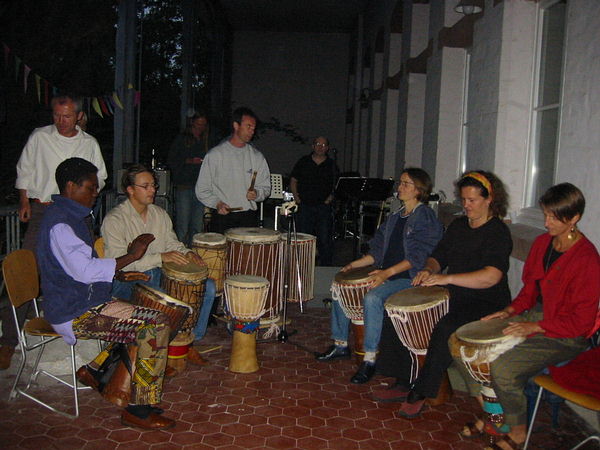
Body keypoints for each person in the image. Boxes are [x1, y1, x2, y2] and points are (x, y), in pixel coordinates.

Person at [453, 183, 600, 450]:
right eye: (545, 214)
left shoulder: (587, 259)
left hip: (565, 334)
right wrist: (509, 311)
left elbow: (581, 322)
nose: (546, 222)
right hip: (534, 317)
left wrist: (535, 327)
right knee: (462, 345)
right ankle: (494, 415)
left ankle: (518, 432)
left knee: (504, 368)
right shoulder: (543, 243)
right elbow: (530, 290)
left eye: (554, 217)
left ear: (574, 218)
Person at [36, 157, 175, 429]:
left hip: (85, 301)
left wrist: (117, 272)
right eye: (90, 187)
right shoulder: (61, 225)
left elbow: (80, 268)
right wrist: (132, 256)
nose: (95, 193)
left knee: (152, 316)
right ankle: (139, 410)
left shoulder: (69, 216)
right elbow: (85, 271)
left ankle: (96, 369)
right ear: (70, 186)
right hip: (73, 311)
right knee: (155, 325)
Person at [373, 171, 513, 418]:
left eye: (472, 200)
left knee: (444, 327)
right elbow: (438, 256)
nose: (466, 205)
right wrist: (429, 269)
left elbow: (491, 277)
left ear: (489, 199)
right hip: (454, 295)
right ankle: (402, 379)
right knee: (397, 312)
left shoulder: (497, 232)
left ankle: (422, 391)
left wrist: (446, 279)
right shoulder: (459, 226)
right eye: (463, 200)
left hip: (486, 302)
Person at [0, 94, 108, 371]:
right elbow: (24, 170)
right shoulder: (40, 137)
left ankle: (83, 320)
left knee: (85, 265)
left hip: (76, 213)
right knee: (26, 270)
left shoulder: (89, 143)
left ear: (79, 116)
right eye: (57, 115)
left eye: (67, 116)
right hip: (43, 209)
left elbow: (100, 178)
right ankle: (8, 340)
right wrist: (24, 202)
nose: (61, 121)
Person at [315, 168, 443, 384]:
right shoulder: (394, 217)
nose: (400, 187)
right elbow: (376, 251)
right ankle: (340, 344)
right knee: (341, 285)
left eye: (406, 183)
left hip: (408, 278)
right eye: (400, 182)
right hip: (386, 272)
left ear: (419, 190)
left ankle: (370, 358)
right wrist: (353, 265)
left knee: (373, 298)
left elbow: (419, 257)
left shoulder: (425, 216)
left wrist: (386, 273)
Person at [101, 164, 216, 365]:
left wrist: (188, 253)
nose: (152, 190)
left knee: (208, 287)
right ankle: (164, 348)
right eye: (145, 186)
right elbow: (119, 265)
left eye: (153, 185)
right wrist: (161, 258)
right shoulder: (115, 220)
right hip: (125, 281)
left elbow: (172, 243)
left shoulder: (160, 214)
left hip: (156, 275)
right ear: (130, 190)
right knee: (161, 288)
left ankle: (188, 342)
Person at [195, 107, 271, 234]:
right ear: (236, 125)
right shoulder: (215, 155)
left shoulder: (257, 157)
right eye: (248, 126)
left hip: (248, 216)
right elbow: (202, 189)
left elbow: (266, 187)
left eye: (253, 128)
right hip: (223, 216)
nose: (252, 131)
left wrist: (257, 193)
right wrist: (217, 203)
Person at [290, 136, 339, 265]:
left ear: (327, 148)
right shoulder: (303, 161)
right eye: (317, 144)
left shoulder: (331, 165)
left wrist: (329, 199)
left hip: (323, 207)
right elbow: (294, 180)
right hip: (305, 206)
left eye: (323, 145)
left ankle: (325, 267)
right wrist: (297, 198)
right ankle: (303, 266)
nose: (320, 147)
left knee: (324, 239)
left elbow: (336, 185)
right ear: (312, 146)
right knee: (304, 238)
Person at [167, 112, 213, 246]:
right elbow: (172, 160)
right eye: (198, 124)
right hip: (184, 186)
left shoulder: (206, 141)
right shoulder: (182, 139)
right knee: (183, 225)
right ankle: (181, 252)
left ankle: (194, 251)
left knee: (197, 226)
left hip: (200, 188)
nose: (200, 127)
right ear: (192, 123)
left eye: (203, 125)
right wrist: (190, 161)